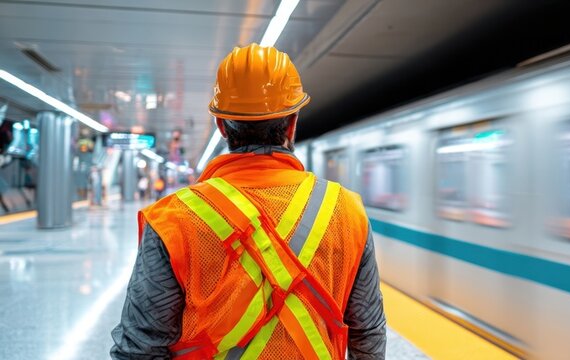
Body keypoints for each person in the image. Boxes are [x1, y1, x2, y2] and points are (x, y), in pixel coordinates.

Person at [111, 44, 386, 359]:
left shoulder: (173, 219)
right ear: (293, 124)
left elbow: (140, 346)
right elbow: (367, 331)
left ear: (222, 126)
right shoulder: (347, 210)